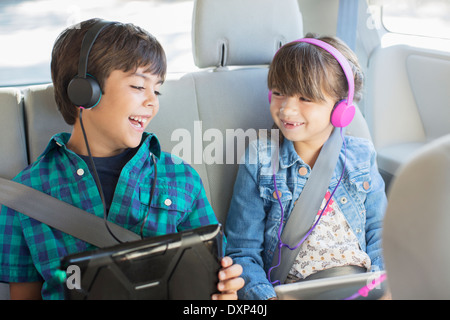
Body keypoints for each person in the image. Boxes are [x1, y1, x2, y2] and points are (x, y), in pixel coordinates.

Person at [0, 18, 243, 300]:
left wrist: (227, 296)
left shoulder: (182, 179)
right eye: (139, 87)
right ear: (85, 91)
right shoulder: (26, 196)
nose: (153, 102)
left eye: (157, 89)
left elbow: (215, 283)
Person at [225, 34, 387, 300]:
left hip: (361, 288)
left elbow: (380, 233)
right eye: (278, 93)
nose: (287, 109)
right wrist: (267, 298)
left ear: (341, 108)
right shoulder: (260, 159)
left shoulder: (362, 156)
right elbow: (242, 252)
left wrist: (385, 287)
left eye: (305, 99)